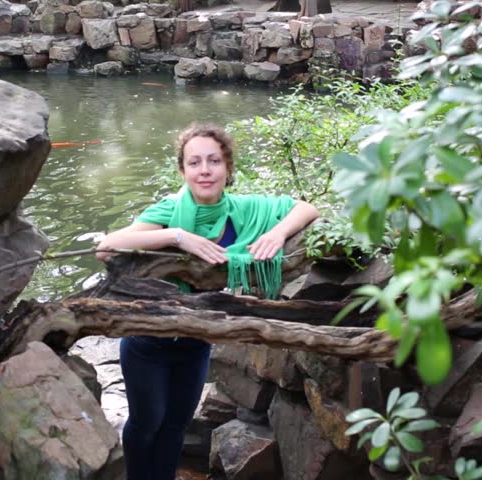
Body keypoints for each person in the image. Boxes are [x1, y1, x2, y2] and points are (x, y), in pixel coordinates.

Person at [96, 123, 319, 480]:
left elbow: (306, 208)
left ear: (228, 168)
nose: (204, 170)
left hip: (197, 342)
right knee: (147, 423)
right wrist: (178, 237)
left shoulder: (244, 210)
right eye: (194, 162)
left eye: (213, 161)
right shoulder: (170, 211)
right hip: (148, 340)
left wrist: (277, 233)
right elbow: (106, 248)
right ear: (182, 170)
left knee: (176, 426)